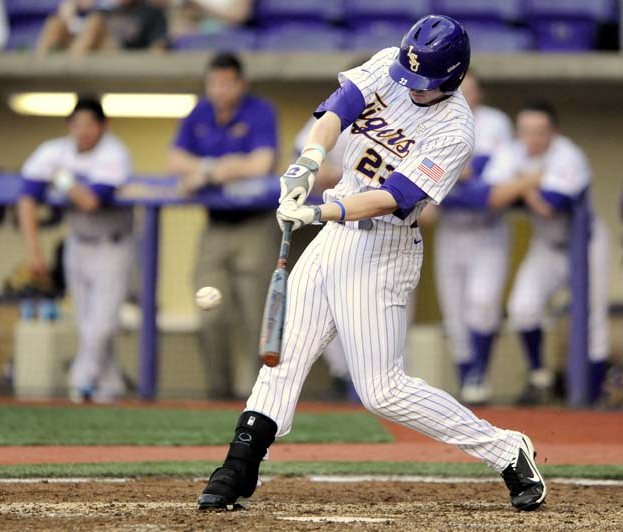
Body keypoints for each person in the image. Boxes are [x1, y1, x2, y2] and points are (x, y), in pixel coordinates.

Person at [197, 15, 546, 513]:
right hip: (334, 236)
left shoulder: (455, 130)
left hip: (384, 248)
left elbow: (392, 197)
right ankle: (237, 468)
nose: (411, 87)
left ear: (451, 78)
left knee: (382, 391)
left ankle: (507, 450)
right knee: (282, 358)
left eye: (423, 84)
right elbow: (339, 108)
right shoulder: (394, 62)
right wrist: (308, 162)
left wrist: (320, 210)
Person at [167, 52, 279, 400]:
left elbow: (261, 164)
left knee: (255, 320)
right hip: (215, 229)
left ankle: (259, 402)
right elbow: (174, 160)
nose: (218, 89)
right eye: (213, 82)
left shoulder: (259, 111)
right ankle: (218, 396)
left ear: (240, 83)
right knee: (210, 312)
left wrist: (205, 173)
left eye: (226, 83)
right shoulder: (199, 113)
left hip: (256, 227)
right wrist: (222, 166)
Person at [491, 101, 611, 406]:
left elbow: (550, 206)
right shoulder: (511, 152)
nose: (533, 138)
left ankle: (591, 396)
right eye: (527, 131)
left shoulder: (567, 154)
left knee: (593, 318)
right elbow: (491, 197)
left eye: (541, 132)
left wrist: (519, 185)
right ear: (519, 133)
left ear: (553, 132)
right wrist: (531, 182)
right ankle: (539, 376)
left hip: (586, 244)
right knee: (522, 307)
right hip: (546, 245)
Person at [18, 96, 134, 403]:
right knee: (86, 323)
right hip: (77, 243)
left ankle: (79, 381)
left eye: (90, 124)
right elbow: (27, 197)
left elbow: (91, 201)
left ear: (103, 126)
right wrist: (34, 250)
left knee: (103, 323)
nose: (83, 131)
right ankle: (108, 388)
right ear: (69, 126)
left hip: (112, 244)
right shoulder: (53, 150)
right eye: (77, 124)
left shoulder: (114, 153)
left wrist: (63, 178)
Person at [427, 72, 515, 405]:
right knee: (454, 311)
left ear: (481, 93)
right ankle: (469, 381)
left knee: (483, 302)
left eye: (470, 89)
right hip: (451, 228)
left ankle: (479, 371)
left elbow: (479, 168)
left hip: (487, 227)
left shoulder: (494, 122)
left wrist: (445, 177)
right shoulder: (436, 119)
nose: (464, 95)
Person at [37, 0, 168, 55]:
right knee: (55, 24)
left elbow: (158, 48)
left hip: (121, 59)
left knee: (95, 22)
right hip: (88, 55)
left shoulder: (152, 12)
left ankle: (70, 70)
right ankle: (39, 71)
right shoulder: (104, 10)